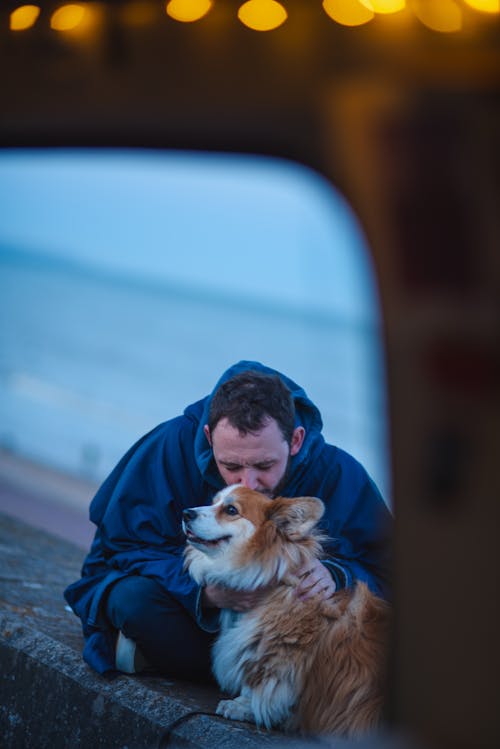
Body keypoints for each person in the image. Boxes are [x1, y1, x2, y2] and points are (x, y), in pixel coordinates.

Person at [64, 360, 392, 682]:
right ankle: (254, 683)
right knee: (131, 601)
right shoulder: (169, 445)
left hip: (283, 636)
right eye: (231, 465)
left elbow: (394, 573)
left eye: (264, 465)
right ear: (209, 436)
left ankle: (176, 662)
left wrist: (339, 574)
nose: (247, 483)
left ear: (295, 440)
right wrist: (206, 595)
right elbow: (122, 547)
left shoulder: (339, 472)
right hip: (188, 610)